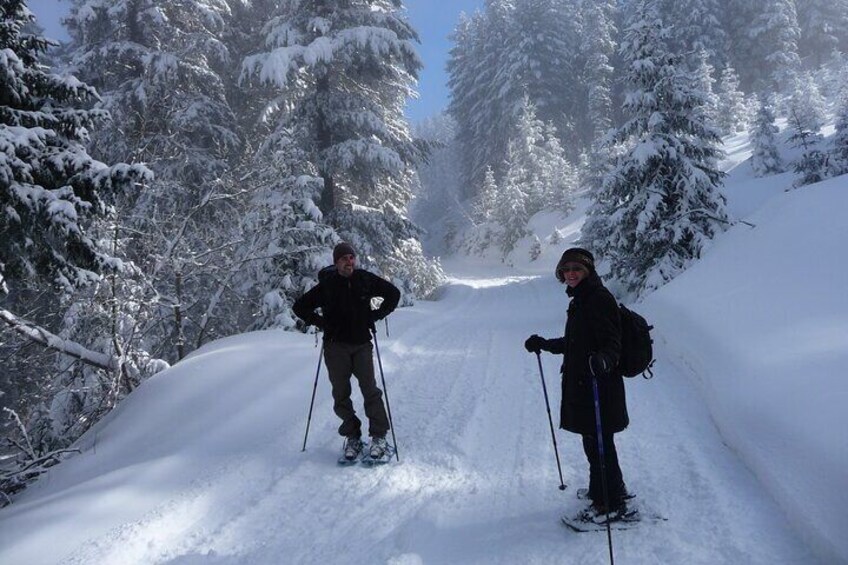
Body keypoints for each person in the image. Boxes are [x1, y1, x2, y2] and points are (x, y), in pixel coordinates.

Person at [524, 247, 630, 519]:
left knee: (600, 445)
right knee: (594, 443)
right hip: (584, 384)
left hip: (599, 386)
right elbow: (576, 343)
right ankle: (605, 491)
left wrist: (603, 361)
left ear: (588, 271)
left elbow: (613, 343)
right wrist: (545, 344)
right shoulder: (581, 298)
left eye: (577, 269)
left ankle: (610, 504)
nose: (571, 273)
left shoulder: (599, 299)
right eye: (567, 269)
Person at [293, 242, 401, 462]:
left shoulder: (364, 279)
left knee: (370, 390)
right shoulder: (327, 284)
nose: (349, 262)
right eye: (344, 258)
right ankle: (353, 436)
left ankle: (378, 436)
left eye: (351, 258)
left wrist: (375, 316)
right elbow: (300, 307)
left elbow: (393, 294)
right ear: (336, 262)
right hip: (335, 347)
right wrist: (322, 322)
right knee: (341, 394)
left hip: (362, 344)